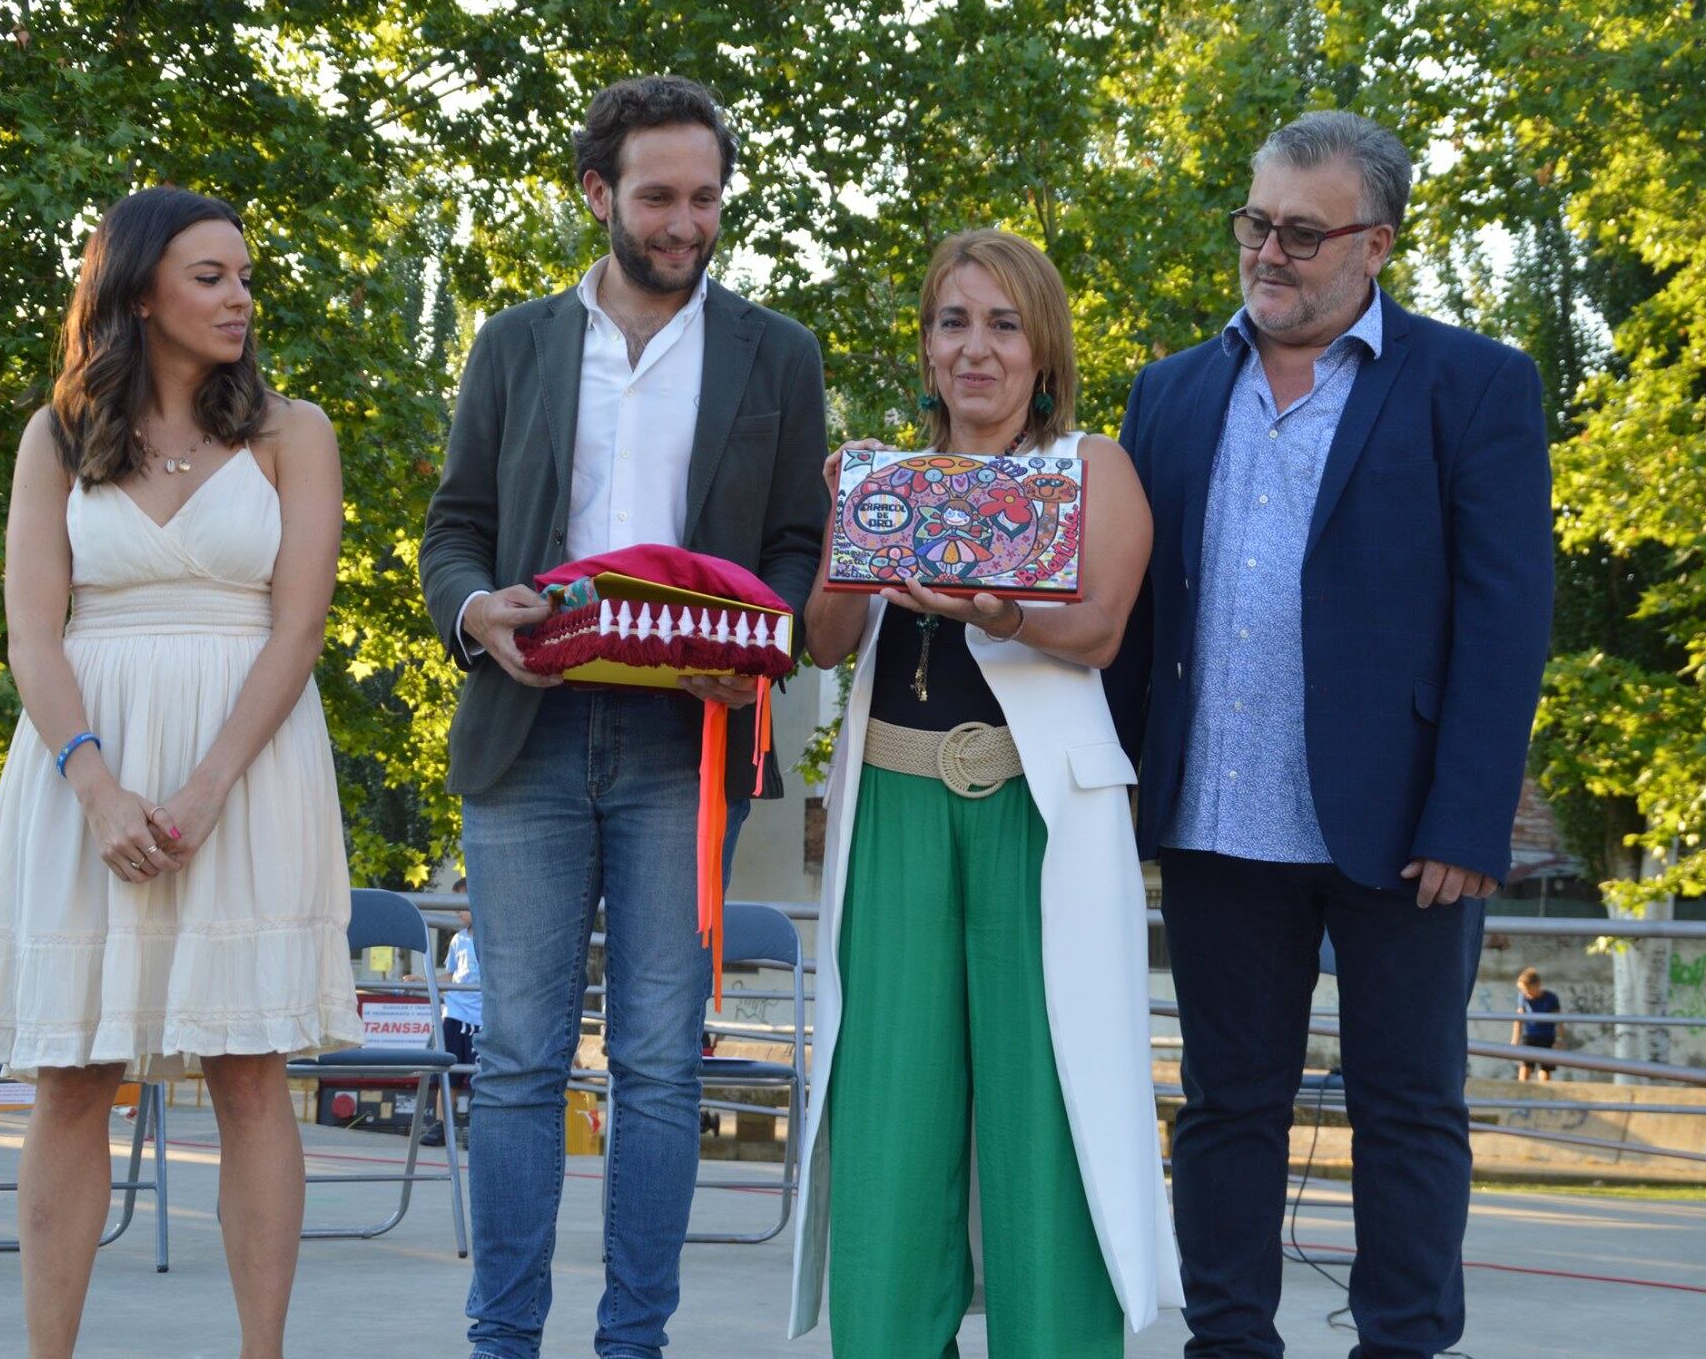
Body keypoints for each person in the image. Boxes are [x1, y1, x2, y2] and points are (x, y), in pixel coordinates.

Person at [1106, 109, 1554, 1359]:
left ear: (1376, 244)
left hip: (1406, 831)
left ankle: (1401, 1340)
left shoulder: (1474, 385)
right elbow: (1132, 619)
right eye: (1255, 223)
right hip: (1214, 819)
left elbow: (1505, 615)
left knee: (1407, 1108)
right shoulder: (1169, 392)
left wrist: (1468, 814)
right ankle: (1226, 1341)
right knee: (1223, 1107)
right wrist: (1110, 798)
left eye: (1301, 233)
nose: (1268, 252)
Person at [418, 75, 827, 1359]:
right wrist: (475, 609)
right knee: (519, 1056)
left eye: (705, 198)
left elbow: (798, 542)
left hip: (684, 745)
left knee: (659, 1060)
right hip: (526, 728)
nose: (685, 222)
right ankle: (502, 1340)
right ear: (596, 193)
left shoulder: (777, 352)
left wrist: (760, 648)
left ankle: (631, 1341)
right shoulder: (513, 344)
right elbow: (454, 527)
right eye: (658, 197)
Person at [0, 186, 363, 1359]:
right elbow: (33, 633)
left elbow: (299, 628)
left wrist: (210, 783)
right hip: (84, 770)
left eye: (245, 276)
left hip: (250, 768)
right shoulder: (57, 437)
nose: (239, 297)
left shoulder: (294, 432)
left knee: (249, 1070)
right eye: (210, 276)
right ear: (138, 293)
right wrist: (97, 787)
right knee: (73, 1071)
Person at [791, 229, 1180, 1358]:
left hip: (1039, 817)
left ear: (1042, 350)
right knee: (888, 1105)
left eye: (1004, 324)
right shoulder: (885, 479)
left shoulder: (1091, 469)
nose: (976, 347)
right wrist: (849, 522)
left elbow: (1099, 630)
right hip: (896, 808)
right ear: (925, 347)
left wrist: (996, 610)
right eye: (953, 322)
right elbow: (824, 642)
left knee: (1046, 1106)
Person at [414, 902, 483, 1147]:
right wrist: (425, 980)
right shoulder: (458, 939)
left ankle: (480, 1128)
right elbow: (453, 975)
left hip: (482, 1018)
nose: (457, 910)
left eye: (463, 904)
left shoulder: (493, 939)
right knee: (447, 1072)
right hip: (455, 1012)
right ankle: (442, 1125)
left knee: (480, 1076)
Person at [1513, 967, 1563, 1080]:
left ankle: (1544, 1090)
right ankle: (1522, 1089)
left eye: (1527, 989)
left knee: (1545, 1071)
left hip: (1547, 1038)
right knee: (1524, 1068)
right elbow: (1518, 1019)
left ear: (1537, 985)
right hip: (1529, 1037)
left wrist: (1559, 1039)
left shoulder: (1551, 998)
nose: (1525, 993)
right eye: (1522, 990)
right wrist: (1515, 1040)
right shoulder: (1523, 997)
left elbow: (1560, 1020)